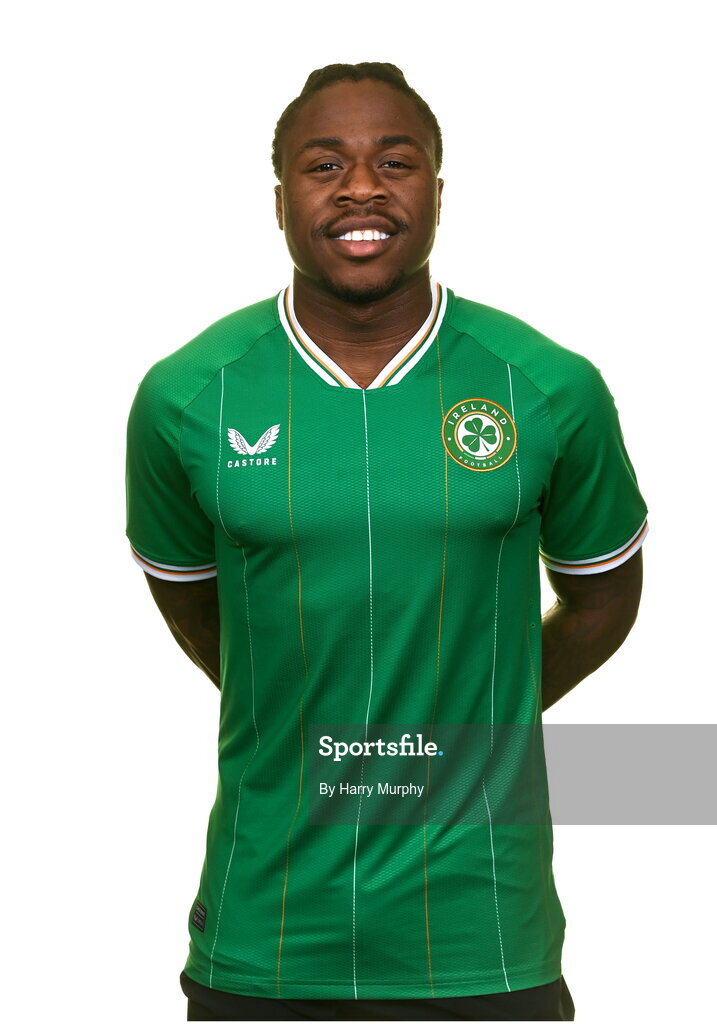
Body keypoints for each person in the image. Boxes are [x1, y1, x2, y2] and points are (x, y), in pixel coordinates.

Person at [125, 62, 647, 1022]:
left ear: (437, 192)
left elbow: (604, 599)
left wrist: (464, 721)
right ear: (278, 198)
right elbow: (199, 610)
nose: (361, 187)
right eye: (324, 164)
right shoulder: (188, 396)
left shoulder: (548, 386)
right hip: (265, 934)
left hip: (486, 938)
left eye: (394, 162)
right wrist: (307, 701)